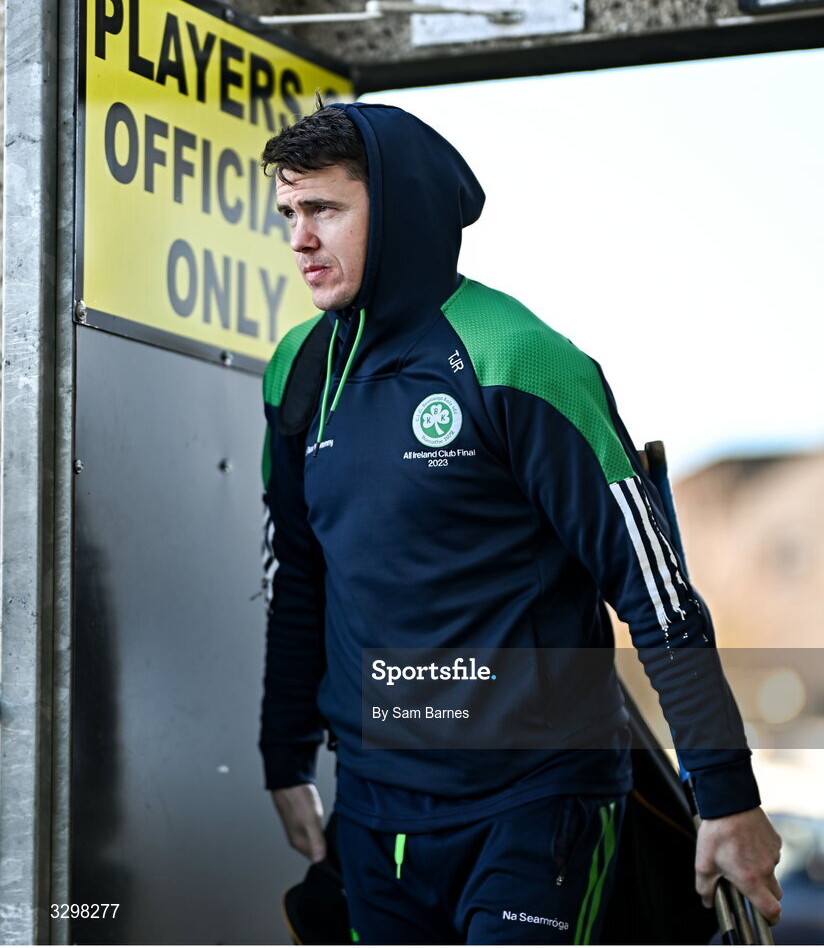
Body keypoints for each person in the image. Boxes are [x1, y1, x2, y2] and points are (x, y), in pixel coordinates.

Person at [258, 97, 782, 945]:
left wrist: (725, 796)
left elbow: (656, 593)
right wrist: (284, 757)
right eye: (289, 213)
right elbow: (298, 577)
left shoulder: (519, 358)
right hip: (374, 807)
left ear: (395, 209)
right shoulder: (299, 368)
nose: (299, 239)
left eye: (323, 209)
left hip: (536, 805)